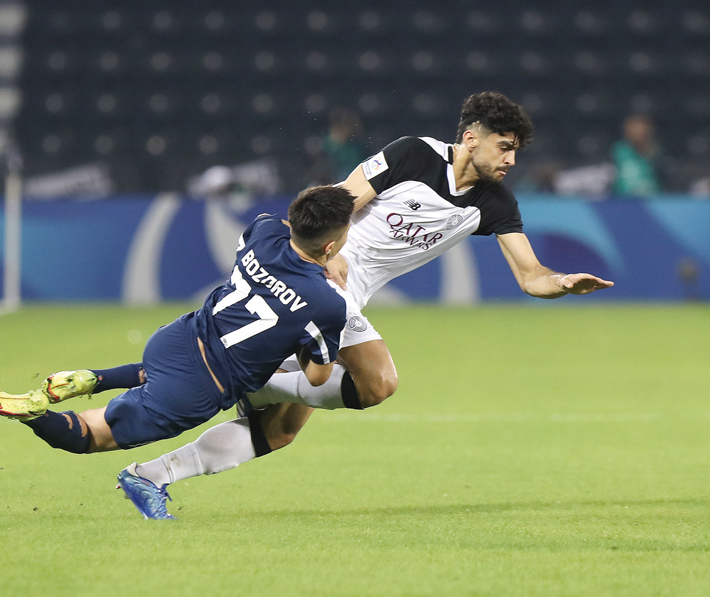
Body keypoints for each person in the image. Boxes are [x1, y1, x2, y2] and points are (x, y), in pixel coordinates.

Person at [114, 92, 614, 516]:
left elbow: (531, 277)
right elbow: (342, 197)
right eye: (504, 147)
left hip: (349, 298)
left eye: (516, 152)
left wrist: (562, 283)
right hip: (317, 283)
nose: (510, 160)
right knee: (377, 382)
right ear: (471, 137)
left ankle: (150, 474)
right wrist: (322, 254)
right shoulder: (413, 154)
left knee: (284, 430)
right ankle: (243, 384)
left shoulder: (495, 203)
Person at [0, 185, 354, 519]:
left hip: (178, 338)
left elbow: (279, 235)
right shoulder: (326, 302)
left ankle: (93, 379)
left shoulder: (265, 229)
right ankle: (34, 414)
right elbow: (318, 377)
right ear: (332, 244)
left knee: (160, 374)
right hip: (200, 386)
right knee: (87, 436)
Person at [611, 114, 661, 197]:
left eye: (642, 127)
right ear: (626, 129)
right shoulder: (617, 151)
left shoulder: (658, 153)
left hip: (654, 200)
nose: (639, 131)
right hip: (622, 201)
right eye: (634, 127)